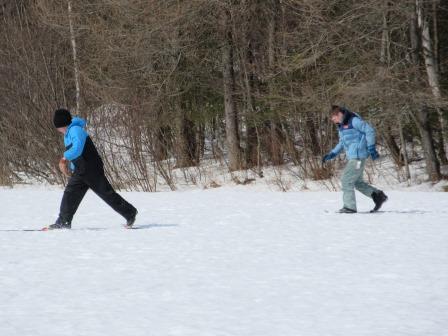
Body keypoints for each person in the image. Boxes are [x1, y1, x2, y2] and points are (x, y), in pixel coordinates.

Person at [47, 108, 137, 229]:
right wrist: (73, 167)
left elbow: (77, 149)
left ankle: (130, 212)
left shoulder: (75, 130)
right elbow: (75, 152)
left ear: (63, 124)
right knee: (70, 193)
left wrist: (64, 158)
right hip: (81, 169)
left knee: (106, 194)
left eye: (58, 127)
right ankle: (63, 221)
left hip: (91, 168)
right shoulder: (68, 133)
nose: (58, 130)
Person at [322, 105, 388, 213]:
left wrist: (371, 147)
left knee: (346, 180)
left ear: (339, 114)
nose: (332, 120)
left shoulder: (354, 120)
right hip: (353, 156)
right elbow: (342, 143)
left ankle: (349, 207)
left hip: (357, 157)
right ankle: (378, 196)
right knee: (357, 182)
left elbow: (369, 130)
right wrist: (332, 154)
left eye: (333, 117)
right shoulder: (341, 126)